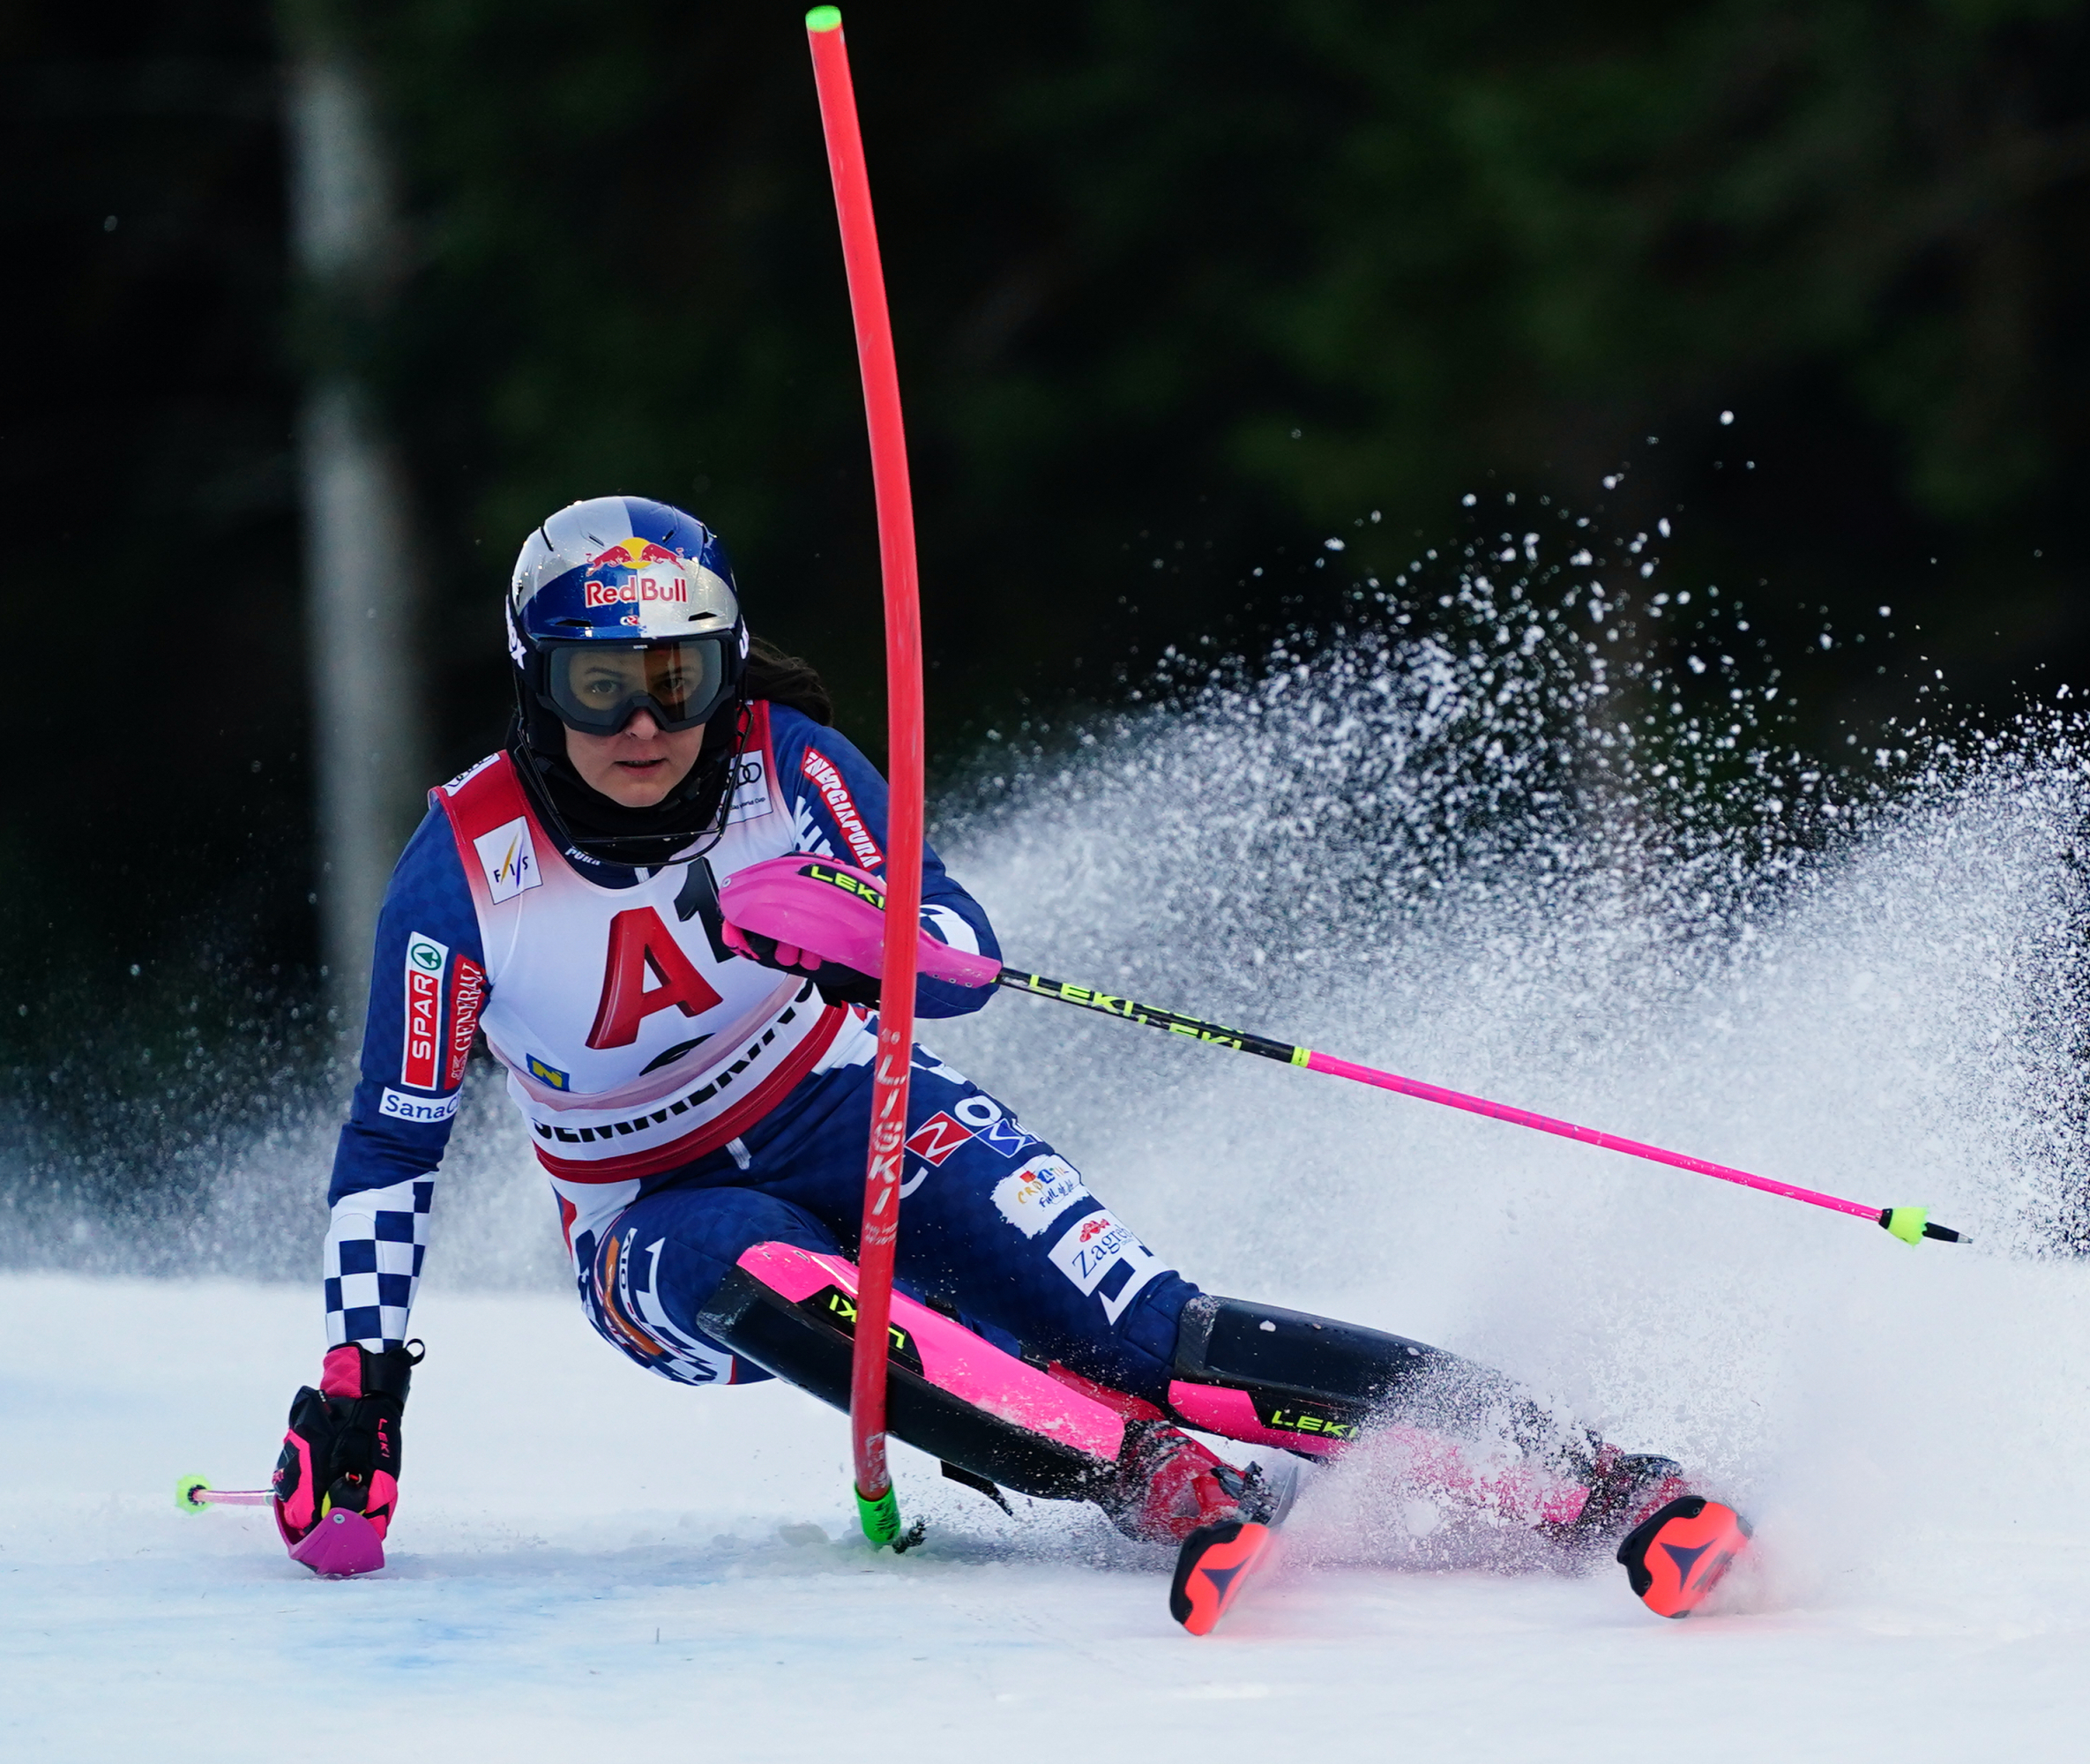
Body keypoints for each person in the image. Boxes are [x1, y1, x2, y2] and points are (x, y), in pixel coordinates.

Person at [268, 495, 1739, 1614]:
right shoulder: (462, 869)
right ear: (537, 681)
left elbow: (959, 947)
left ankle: (1592, 1479)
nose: (648, 724)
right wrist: (359, 1383)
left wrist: (855, 939)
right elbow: (393, 1143)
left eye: (682, 676)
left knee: (1155, 1336)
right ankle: (1150, 1479)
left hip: (848, 1105)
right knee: (768, 1272)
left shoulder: (790, 765)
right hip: (644, 1214)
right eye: (602, 686)